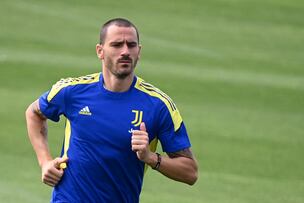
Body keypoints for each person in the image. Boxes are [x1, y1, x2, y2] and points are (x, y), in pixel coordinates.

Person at [25, 17, 198, 203]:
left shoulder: (158, 105)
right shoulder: (72, 91)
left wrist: (150, 157)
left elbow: (190, 172)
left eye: (131, 45)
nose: (125, 51)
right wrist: (45, 162)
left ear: (139, 52)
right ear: (100, 51)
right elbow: (34, 113)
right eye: (116, 45)